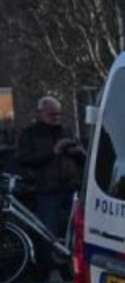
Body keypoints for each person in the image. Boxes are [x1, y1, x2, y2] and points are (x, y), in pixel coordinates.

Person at [17, 95, 85, 243]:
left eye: (58, 113)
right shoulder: (30, 134)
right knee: (49, 233)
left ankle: (69, 262)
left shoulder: (67, 130)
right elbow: (24, 160)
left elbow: (83, 160)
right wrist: (53, 152)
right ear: (41, 113)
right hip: (47, 190)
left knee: (74, 231)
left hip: (72, 188)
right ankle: (50, 264)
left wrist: (79, 153)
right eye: (52, 114)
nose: (56, 117)